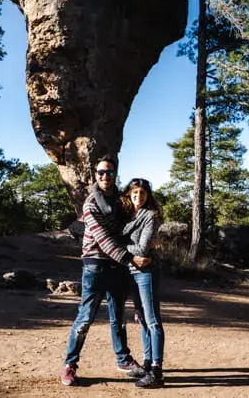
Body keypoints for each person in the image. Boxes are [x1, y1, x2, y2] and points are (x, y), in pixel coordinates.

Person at [61, 155, 150, 386]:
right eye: (101, 172)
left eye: (109, 173)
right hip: (95, 265)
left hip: (117, 267)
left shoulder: (121, 203)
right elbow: (103, 239)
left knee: (118, 318)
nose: (104, 176)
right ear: (95, 174)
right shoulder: (90, 203)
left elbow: (131, 226)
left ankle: (123, 360)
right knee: (85, 318)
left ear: (115, 175)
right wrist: (131, 258)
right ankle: (70, 365)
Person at [121, 177, 165, 388]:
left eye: (142, 193)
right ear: (129, 194)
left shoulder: (150, 216)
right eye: (134, 192)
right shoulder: (128, 216)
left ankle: (157, 370)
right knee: (141, 319)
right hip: (131, 271)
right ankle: (147, 363)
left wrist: (120, 247)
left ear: (148, 196)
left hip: (146, 271)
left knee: (153, 319)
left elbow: (143, 249)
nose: (138, 196)